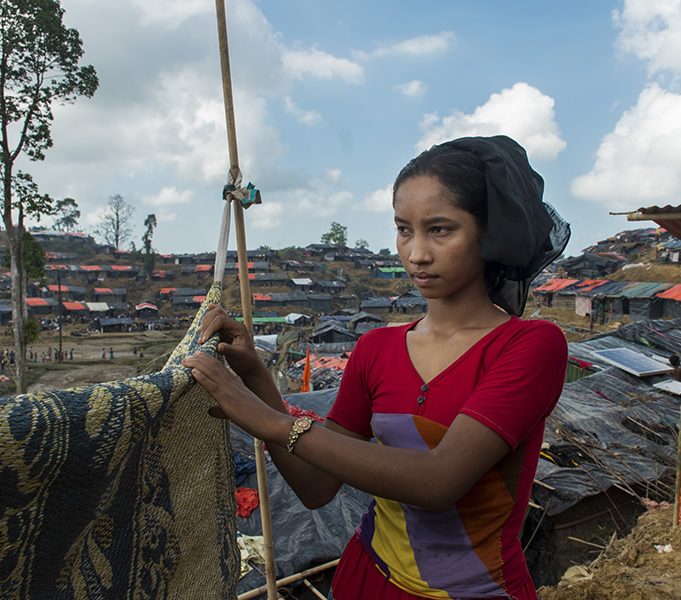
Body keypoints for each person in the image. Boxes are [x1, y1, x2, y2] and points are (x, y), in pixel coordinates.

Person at [183, 136, 570, 600]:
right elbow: (317, 488)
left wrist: (266, 419)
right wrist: (256, 377)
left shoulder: (530, 346)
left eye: (440, 230)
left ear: (492, 233)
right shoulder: (376, 347)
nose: (416, 253)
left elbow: (437, 481)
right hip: (367, 579)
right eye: (404, 229)